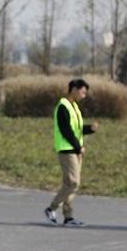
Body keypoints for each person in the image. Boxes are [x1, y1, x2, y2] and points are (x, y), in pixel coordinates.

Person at [44, 78, 99, 227]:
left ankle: (68, 217)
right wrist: (77, 146)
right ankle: (51, 208)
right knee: (74, 183)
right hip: (67, 150)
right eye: (82, 92)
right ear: (74, 89)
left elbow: (76, 129)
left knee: (69, 184)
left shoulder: (73, 106)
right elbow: (66, 130)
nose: (84, 95)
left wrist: (89, 129)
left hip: (74, 150)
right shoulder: (63, 106)